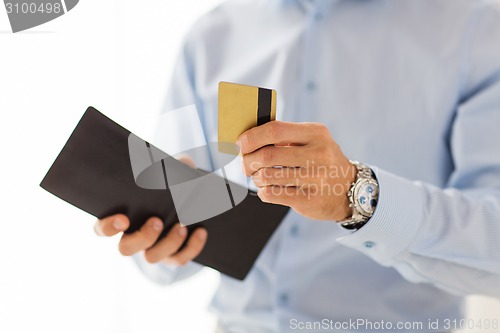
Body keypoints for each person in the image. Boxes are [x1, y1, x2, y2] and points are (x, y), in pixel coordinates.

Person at [94, 0, 500, 332]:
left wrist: (359, 197)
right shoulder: (211, 35)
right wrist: (163, 236)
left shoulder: (479, 30)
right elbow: (172, 225)